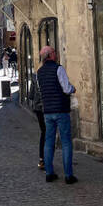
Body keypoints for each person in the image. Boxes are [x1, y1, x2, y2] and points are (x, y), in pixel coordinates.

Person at [36, 45, 77, 184]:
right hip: (61, 110)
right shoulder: (58, 69)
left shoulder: (39, 72)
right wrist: (73, 88)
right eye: (54, 52)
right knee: (66, 142)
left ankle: (49, 173)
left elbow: (42, 91)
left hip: (48, 111)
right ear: (51, 55)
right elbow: (66, 88)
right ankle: (68, 175)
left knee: (49, 142)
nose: (56, 54)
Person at [28, 70, 45, 169]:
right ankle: (47, 159)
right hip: (49, 108)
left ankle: (41, 159)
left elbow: (30, 95)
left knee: (43, 132)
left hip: (38, 109)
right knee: (49, 133)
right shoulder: (54, 72)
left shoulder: (35, 76)